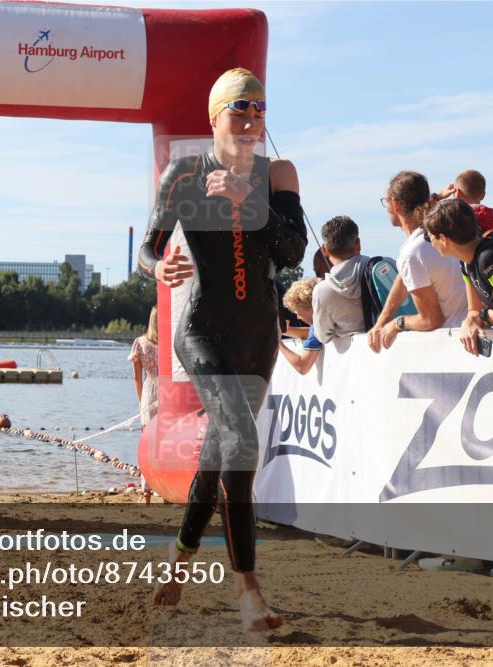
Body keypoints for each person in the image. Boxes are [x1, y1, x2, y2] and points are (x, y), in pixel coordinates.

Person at [137, 67, 306, 630]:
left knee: (216, 458)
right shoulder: (184, 175)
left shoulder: (278, 173)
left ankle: (180, 560)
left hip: (258, 337)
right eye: (241, 110)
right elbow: (147, 250)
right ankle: (248, 591)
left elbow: (292, 252)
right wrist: (160, 265)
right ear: (216, 118)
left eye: (259, 110)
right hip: (202, 331)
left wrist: (248, 202)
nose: (253, 120)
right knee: (239, 443)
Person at [422, 199, 493, 355]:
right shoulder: (465, 261)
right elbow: (473, 309)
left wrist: (485, 316)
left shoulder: (490, 257)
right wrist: (469, 321)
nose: (431, 244)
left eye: (431, 238)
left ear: (443, 239)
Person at [367, 171, 468, 352]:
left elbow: (431, 320)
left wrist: (398, 323)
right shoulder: (439, 234)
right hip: (467, 334)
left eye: (386, 201)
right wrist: (381, 321)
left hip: (457, 345)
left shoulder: (412, 253)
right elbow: (404, 278)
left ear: (396, 205)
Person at [311, 216, 371, 343]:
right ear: (358, 244)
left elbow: (323, 336)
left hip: (355, 358)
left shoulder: (321, 291)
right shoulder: (381, 268)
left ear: (324, 250)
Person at [129, 306, 160, 503]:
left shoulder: (139, 343)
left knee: (147, 444)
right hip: (169, 393)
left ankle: (146, 492)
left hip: (149, 393)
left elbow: (136, 378)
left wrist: (141, 402)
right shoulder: (170, 343)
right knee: (167, 443)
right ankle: (166, 489)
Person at [436, 169, 493, 238]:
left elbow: (426, 216)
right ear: (483, 195)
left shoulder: (450, 222)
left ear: (456, 193)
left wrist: (438, 196)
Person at [278, 277, 323, 375]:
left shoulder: (318, 326)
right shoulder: (325, 320)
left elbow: (302, 367)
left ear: (311, 306)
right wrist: (286, 330)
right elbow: (309, 333)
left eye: (300, 313)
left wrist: (278, 343)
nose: (298, 317)